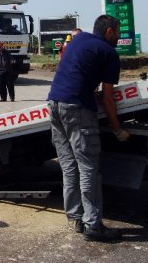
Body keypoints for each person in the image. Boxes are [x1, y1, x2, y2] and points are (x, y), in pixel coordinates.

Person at [47, 15, 130, 242]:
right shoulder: (109, 53)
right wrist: (117, 129)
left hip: (54, 104)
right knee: (88, 169)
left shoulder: (78, 40)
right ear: (110, 31)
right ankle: (93, 225)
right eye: (118, 31)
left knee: (69, 166)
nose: (120, 36)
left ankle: (76, 219)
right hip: (77, 109)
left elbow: (77, 71)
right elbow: (108, 98)